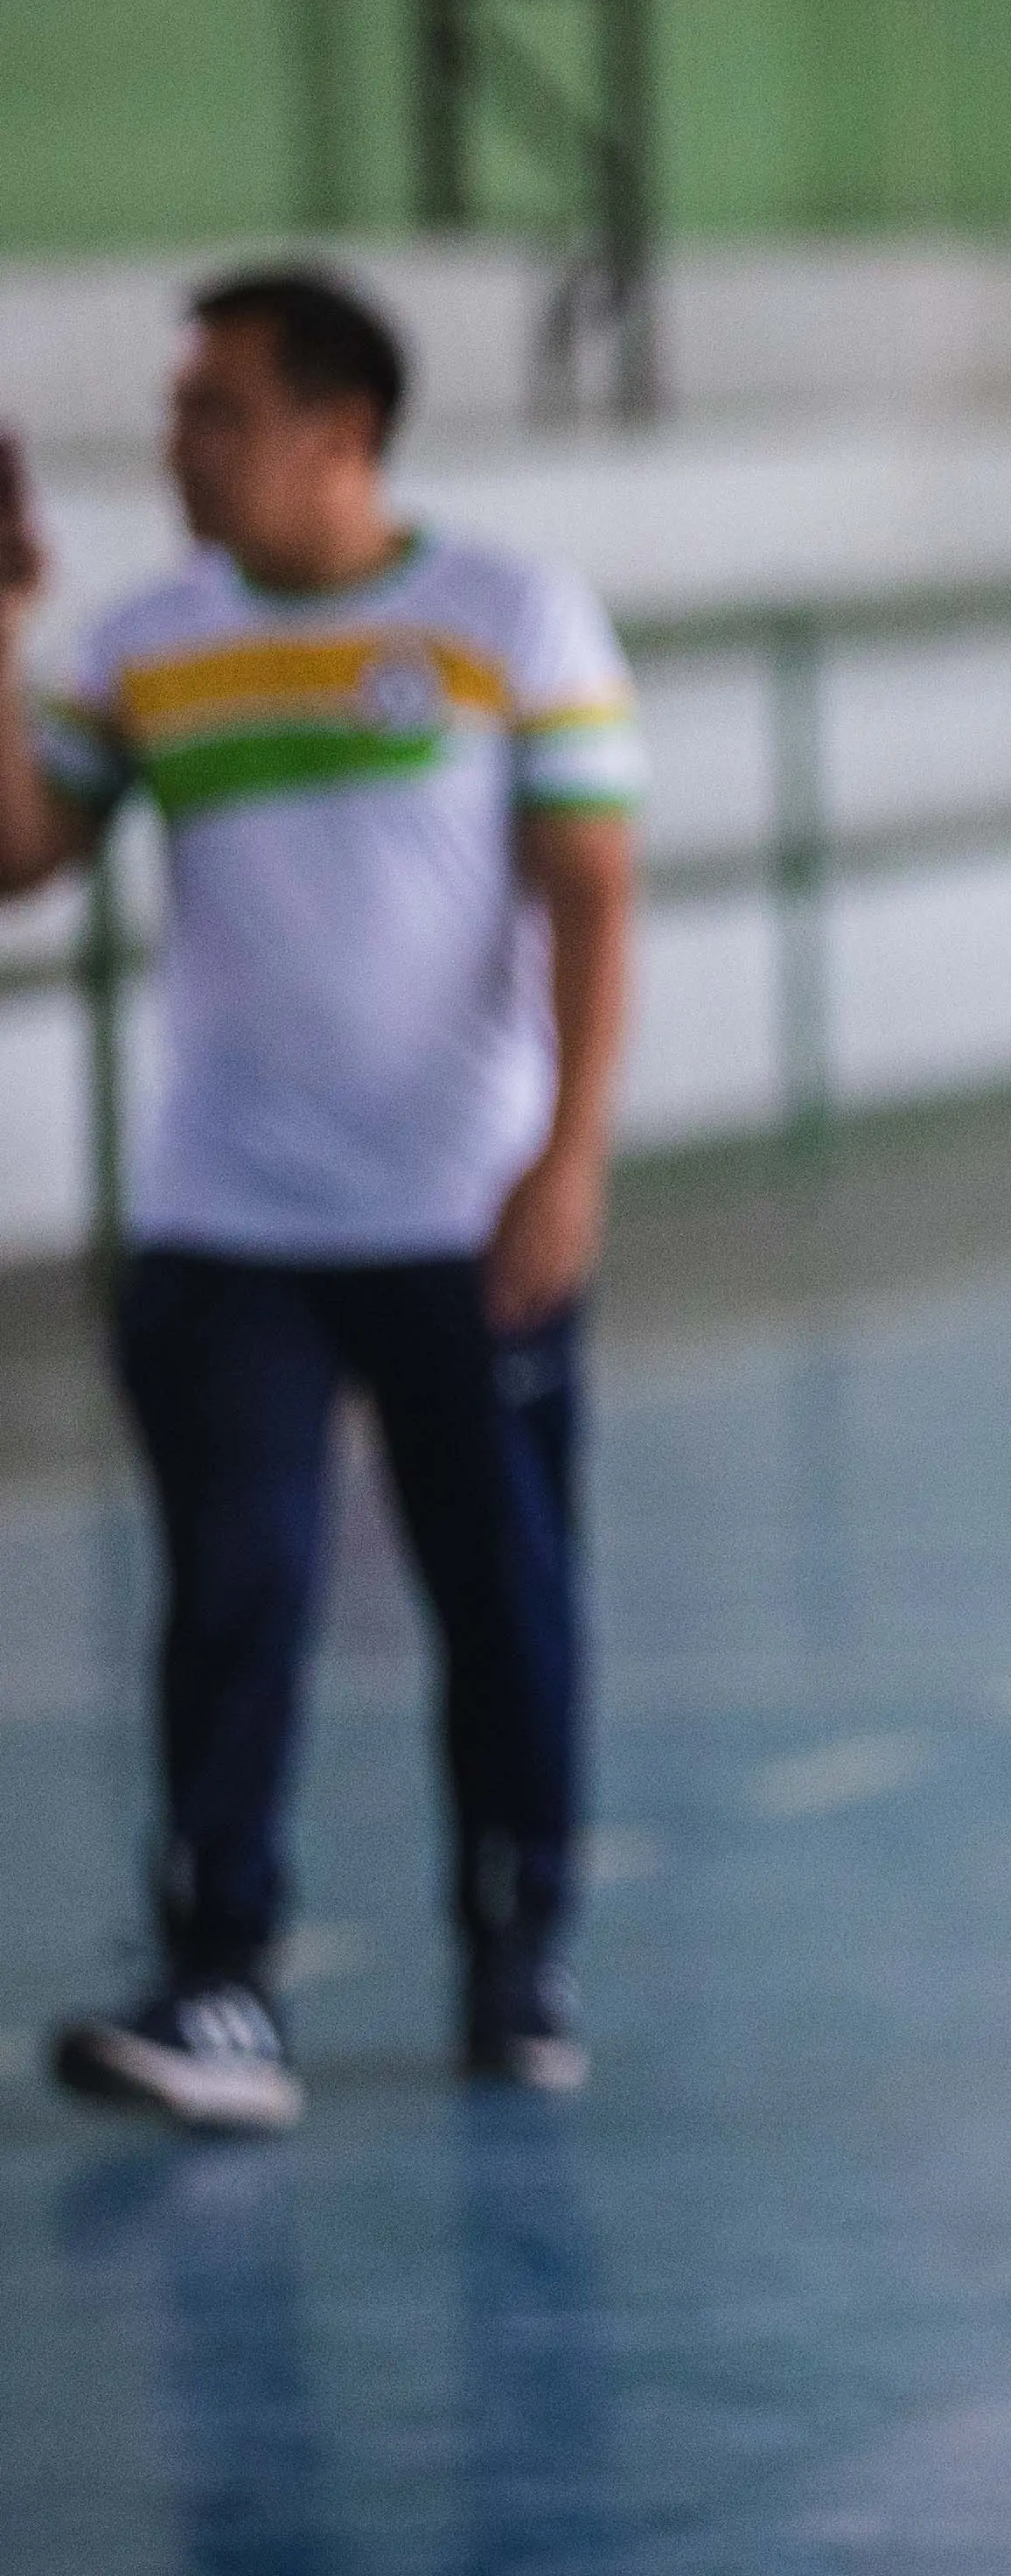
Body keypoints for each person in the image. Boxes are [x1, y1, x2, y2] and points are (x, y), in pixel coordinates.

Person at [3, 269, 641, 2133]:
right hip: (228, 1224)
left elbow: (594, 897)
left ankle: (518, 1941)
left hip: (460, 1214)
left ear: (339, 432)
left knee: (503, 1598)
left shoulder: (507, 617)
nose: (178, 446)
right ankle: (218, 1983)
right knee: (234, 1591)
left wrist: (567, 1158)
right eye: (175, 410)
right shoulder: (146, 646)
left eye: (216, 409)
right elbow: (21, 856)